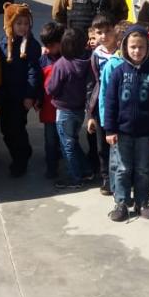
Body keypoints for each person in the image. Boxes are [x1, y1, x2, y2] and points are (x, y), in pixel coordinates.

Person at [103, 25, 149, 222]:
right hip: (122, 132)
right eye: (133, 47)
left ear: (148, 48)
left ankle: (142, 202)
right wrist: (110, 129)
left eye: (141, 47)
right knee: (122, 169)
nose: (137, 51)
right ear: (125, 47)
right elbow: (110, 102)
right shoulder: (118, 72)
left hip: (145, 134)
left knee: (143, 169)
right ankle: (121, 203)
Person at [45, 28, 94, 190]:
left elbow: (52, 88)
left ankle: (75, 177)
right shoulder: (87, 62)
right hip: (79, 110)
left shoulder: (62, 64)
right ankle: (86, 170)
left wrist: (47, 87)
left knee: (67, 145)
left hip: (64, 110)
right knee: (72, 141)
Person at [0, 2, 41, 177]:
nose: (23, 27)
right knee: (6, 130)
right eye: (18, 23)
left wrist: (30, 96)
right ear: (9, 24)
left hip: (21, 96)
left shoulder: (31, 45)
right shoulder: (4, 43)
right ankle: (22, 152)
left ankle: (20, 160)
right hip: (5, 96)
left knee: (16, 129)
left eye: (26, 23)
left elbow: (33, 72)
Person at [86, 14, 119, 195]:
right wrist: (91, 114)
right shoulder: (96, 55)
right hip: (101, 106)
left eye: (108, 31)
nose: (104, 36)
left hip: (121, 106)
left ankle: (121, 177)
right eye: (99, 33)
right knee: (102, 146)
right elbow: (92, 84)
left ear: (115, 30)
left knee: (120, 145)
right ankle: (106, 178)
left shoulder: (123, 52)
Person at [38, 22, 65, 179]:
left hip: (65, 108)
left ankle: (63, 159)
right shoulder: (43, 59)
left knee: (65, 138)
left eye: (51, 45)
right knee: (50, 139)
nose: (47, 49)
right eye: (45, 45)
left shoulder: (68, 57)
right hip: (48, 108)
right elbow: (38, 82)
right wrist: (37, 99)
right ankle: (51, 167)